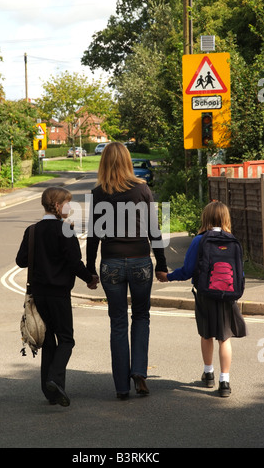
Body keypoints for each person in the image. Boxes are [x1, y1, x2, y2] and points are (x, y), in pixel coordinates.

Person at [86, 142, 168, 399]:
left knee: (118, 322)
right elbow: (154, 230)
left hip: (110, 263)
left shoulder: (98, 193)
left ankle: (122, 386)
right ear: (128, 161)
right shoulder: (142, 190)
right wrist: (162, 265)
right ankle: (140, 373)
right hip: (140, 261)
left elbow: (93, 236)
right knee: (141, 317)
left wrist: (90, 270)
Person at [16, 186, 98, 406]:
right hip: (59, 294)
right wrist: (90, 278)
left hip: (39, 295)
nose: (70, 207)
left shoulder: (32, 230)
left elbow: (21, 261)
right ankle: (54, 379)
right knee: (66, 339)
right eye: (68, 203)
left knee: (50, 340)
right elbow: (74, 263)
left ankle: (50, 392)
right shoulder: (66, 230)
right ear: (58, 205)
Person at [166, 201, 247, 397]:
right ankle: (225, 382)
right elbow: (240, 274)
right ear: (226, 219)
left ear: (206, 218)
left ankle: (209, 373)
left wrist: (167, 276)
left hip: (205, 293)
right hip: (228, 295)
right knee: (224, 338)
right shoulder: (232, 240)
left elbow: (187, 271)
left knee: (206, 334)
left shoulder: (199, 240)